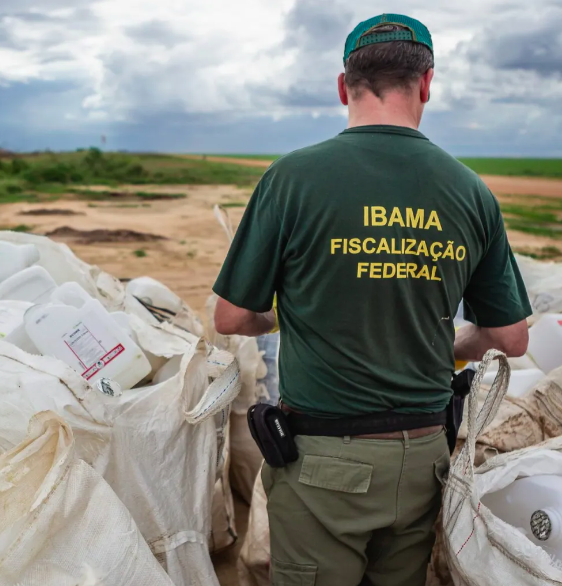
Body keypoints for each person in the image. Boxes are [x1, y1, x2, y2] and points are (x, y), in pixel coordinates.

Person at [212, 13, 531, 586]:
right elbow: (511, 338)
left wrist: (287, 317)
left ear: (344, 86)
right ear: (426, 83)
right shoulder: (470, 191)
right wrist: (449, 345)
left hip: (323, 464)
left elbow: (232, 316)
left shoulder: (292, 179)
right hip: (426, 458)